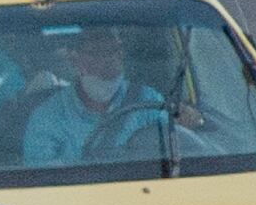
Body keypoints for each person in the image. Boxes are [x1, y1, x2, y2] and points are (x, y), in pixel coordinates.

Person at [22, 26, 167, 170]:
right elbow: (42, 179)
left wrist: (184, 119)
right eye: (95, 53)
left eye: (112, 50)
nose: (107, 61)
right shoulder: (47, 117)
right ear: (74, 60)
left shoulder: (148, 102)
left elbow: (175, 146)